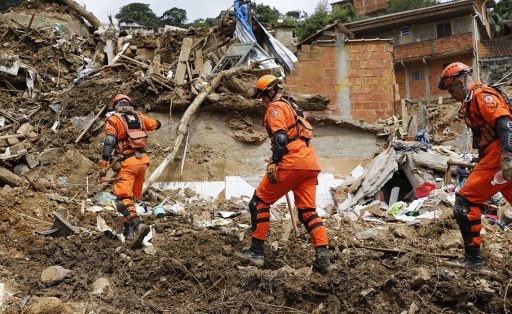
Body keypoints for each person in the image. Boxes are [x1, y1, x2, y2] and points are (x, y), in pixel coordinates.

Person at [236, 74, 330, 273]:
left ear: (271, 92)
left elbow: (280, 138)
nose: (262, 101)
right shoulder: (293, 106)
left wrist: (275, 163)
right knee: (307, 212)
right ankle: (323, 258)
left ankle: (256, 253)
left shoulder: (276, 107)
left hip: (291, 161)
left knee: (258, 203)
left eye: (263, 96)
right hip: (309, 163)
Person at [438, 62, 512, 268]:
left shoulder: (481, 96)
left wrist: (507, 156)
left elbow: (505, 123)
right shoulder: (471, 101)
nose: (451, 94)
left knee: (465, 201)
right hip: (495, 157)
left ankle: (474, 259)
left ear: (460, 82)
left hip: (500, 157)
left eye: (451, 89)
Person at [99, 94, 161, 249]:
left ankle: (138, 224)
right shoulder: (139, 118)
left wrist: (103, 163)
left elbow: (109, 141)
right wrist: (157, 122)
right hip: (143, 162)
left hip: (128, 163)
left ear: (115, 106)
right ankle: (129, 233)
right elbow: (156, 124)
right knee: (131, 199)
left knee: (122, 199)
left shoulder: (114, 120)